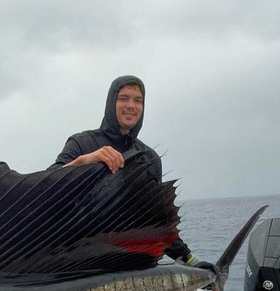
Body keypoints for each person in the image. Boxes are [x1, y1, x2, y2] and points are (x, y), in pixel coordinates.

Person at [49, 74, 213, 269]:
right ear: (112, 103)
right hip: (81, 268)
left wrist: (190, 260)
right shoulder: (82, 143)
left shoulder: (148, 158)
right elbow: (48, 185)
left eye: (138, 101)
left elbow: (155, 223)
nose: (131, 105)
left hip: (131, 270)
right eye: (123, 98)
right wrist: (84, 161)